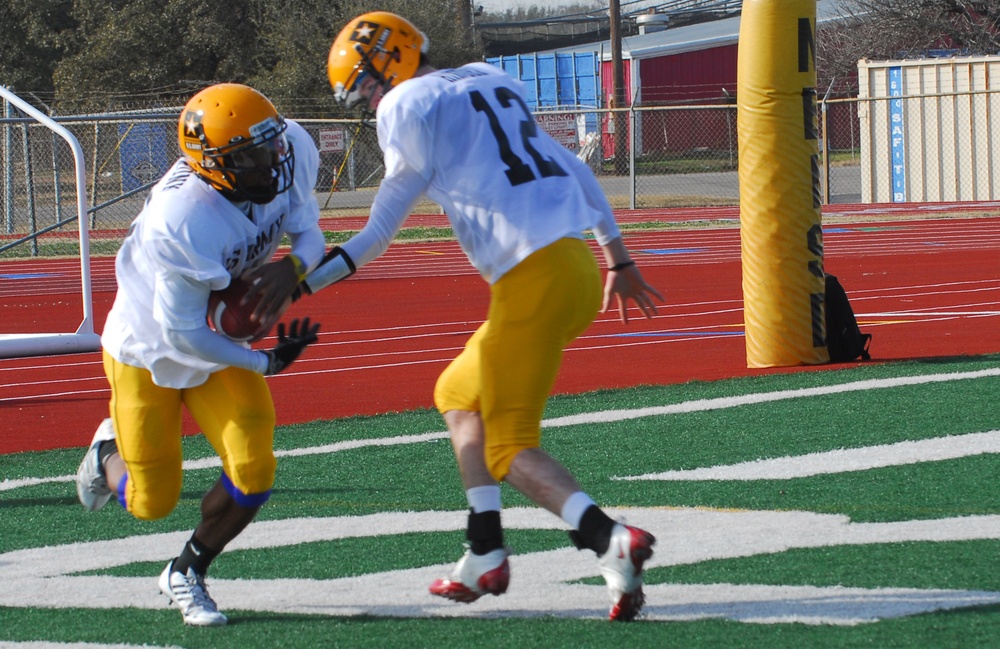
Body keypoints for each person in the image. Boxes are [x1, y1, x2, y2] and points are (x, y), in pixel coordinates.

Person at [307, 12, 665, 621]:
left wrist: (301, 282)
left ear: (390, 64)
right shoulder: (487, 80)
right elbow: (573, 167)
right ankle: (484, 548)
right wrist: (616, 255)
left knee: (509, 448)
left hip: (530, 280)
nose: (369, 102)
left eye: (366, 86)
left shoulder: (407, 107)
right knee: (456, 393)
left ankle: (608, 538)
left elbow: (376, 233)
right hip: (573, 266)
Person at [75, 83, 323, 626]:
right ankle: (104, 456)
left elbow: (311, 235)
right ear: (214, 165)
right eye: (252, 157)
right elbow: (185, 331)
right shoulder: (183, 217)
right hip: (151, 349)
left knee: (254, 470)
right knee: (150, 501)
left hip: (214, 344)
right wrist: (264, 362)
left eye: (272, 145)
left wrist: (293, 268)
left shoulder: (292, 147)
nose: (272, 162)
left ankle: (186, 570)